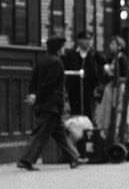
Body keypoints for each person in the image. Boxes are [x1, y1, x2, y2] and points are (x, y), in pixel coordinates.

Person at [17, 36, 81, 171]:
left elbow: (34, 81)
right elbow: (50, 85)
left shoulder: (41, 61)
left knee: (60, 134)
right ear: (58, 49)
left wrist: (33, 95)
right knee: (42, 134)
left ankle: (74, 157)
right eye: (62, 47)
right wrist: (39, 97)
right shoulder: (57, 63)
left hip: (44, 105)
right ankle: (26, 160)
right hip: (51, 105)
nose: (64, 49)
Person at [94, 35, 129, 143]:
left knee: (118, 112)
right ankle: (111, 134)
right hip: (111, 88)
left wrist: (112, 76)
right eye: (110, 44)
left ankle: (121, 134)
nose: (110, 47)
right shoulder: (114, 59)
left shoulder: (122, 58)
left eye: (113, 44)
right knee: (109, 112)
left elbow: (125, 76)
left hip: (118, 89)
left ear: (120, 46)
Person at [62, 30, 104, 121]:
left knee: (88, 109)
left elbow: (102, 66)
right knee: (75, 109)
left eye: (89, 40)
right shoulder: (71, 54)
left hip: (89, 87)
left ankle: (88, 130)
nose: (88, 42)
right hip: (74, 87)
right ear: (79, 41)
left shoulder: (94, 54)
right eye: (85, 39)